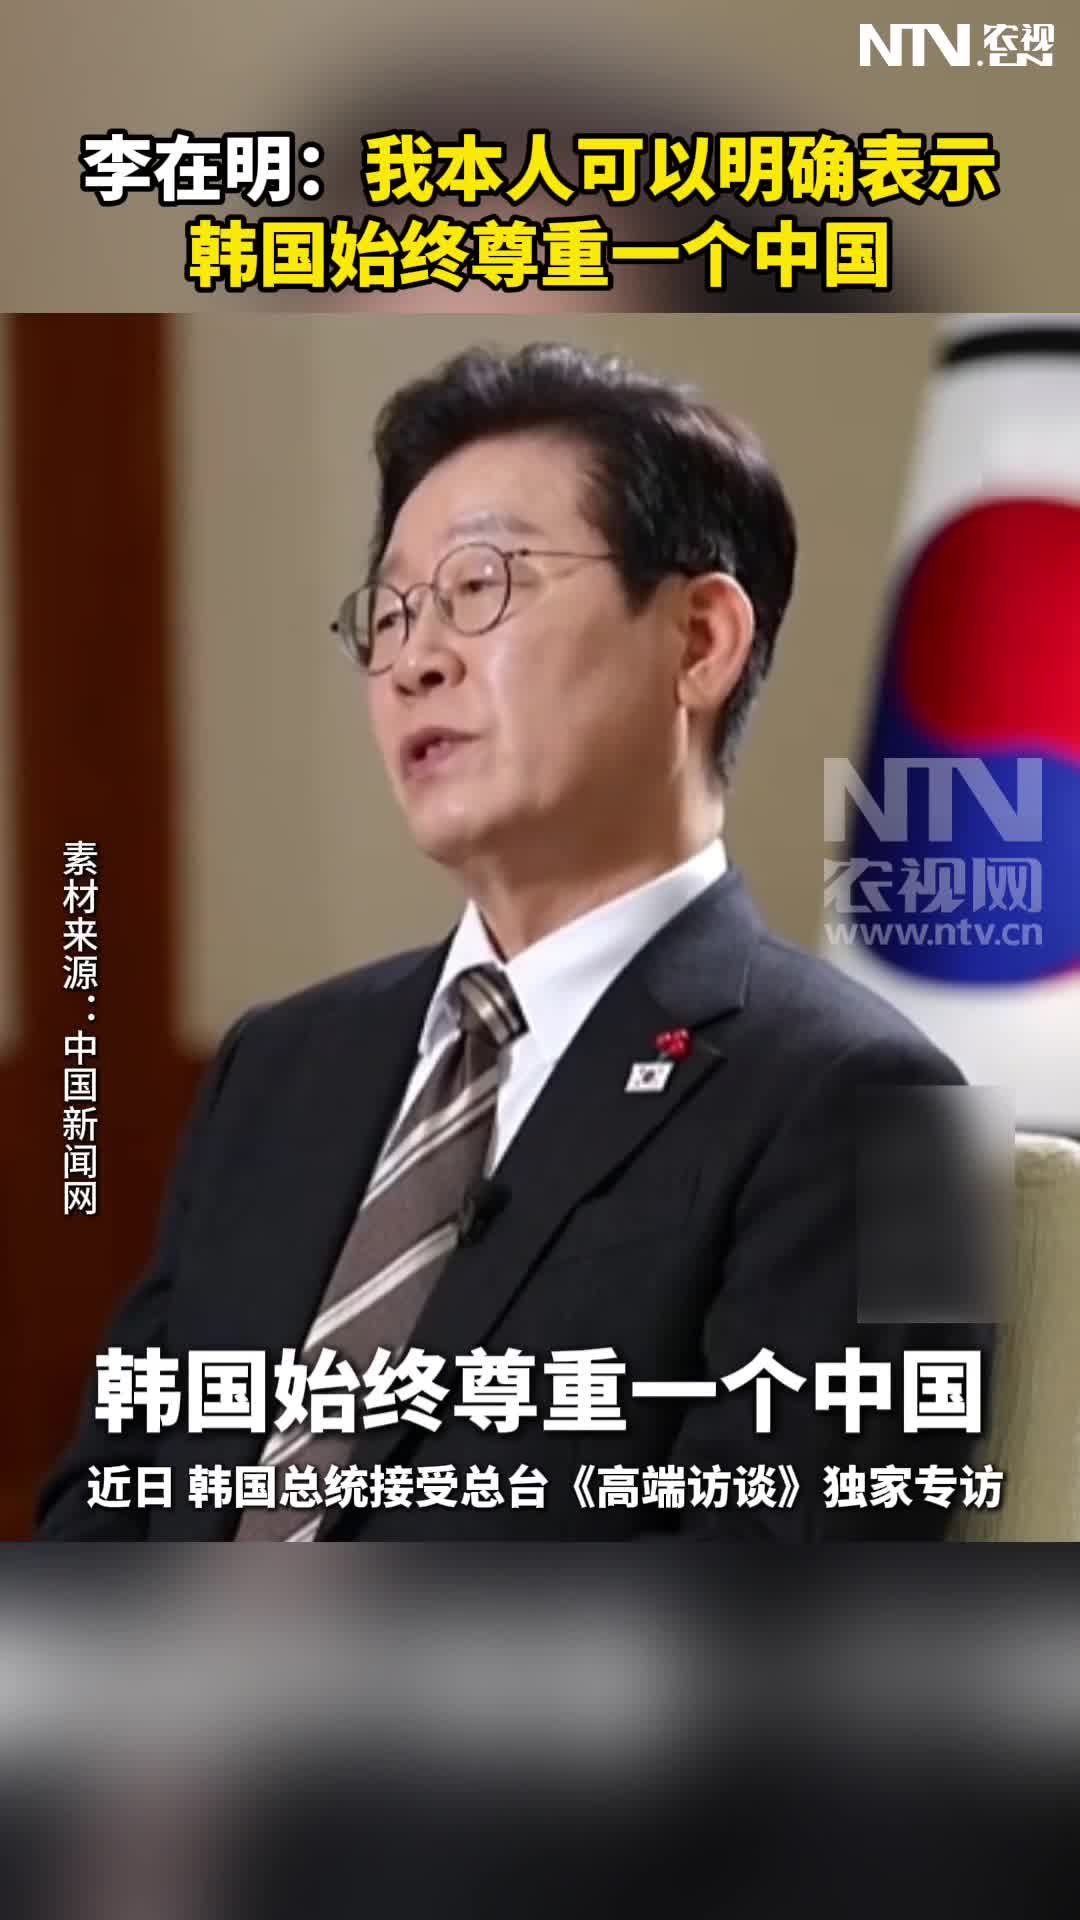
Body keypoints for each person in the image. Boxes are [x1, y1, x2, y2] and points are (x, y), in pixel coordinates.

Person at [36, 340, 993, 1540]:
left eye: (481, 586)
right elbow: (106, 1498)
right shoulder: (274, 1069)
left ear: (700, 640)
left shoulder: (902, 1117)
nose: (415, 660)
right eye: (391, 613)